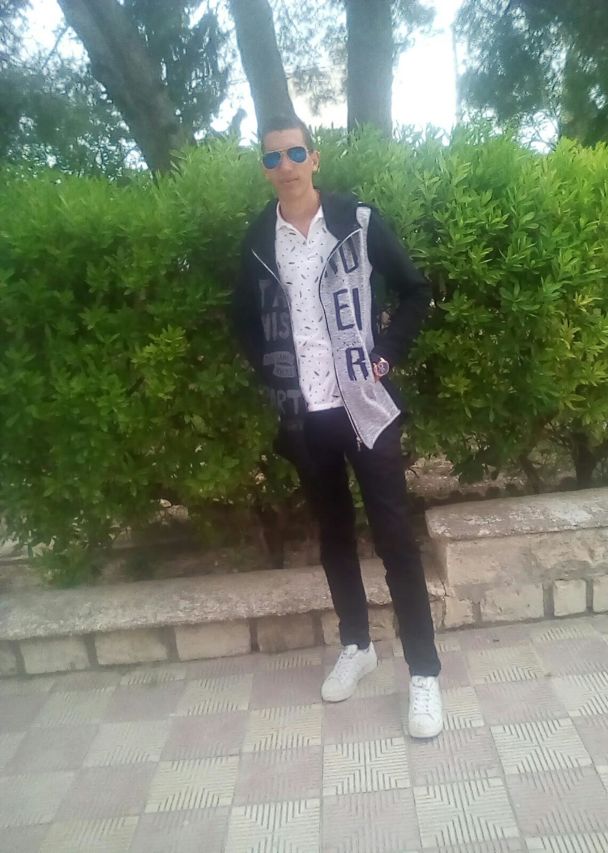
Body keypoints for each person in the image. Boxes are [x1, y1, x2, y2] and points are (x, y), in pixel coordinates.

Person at [232, 115, 442, 738]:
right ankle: (357, 644)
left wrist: (387, 355)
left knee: (395, 538)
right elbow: (243, 319)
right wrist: (273, 369)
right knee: (333, 537)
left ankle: (424, 672)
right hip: (305, 415)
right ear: (265, 168)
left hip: (365, 407)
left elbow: (416, 291)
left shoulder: (357, 221)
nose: (286, 166)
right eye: (273, 157)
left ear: (314, 158)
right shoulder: (258, 239)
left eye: (295, 153)